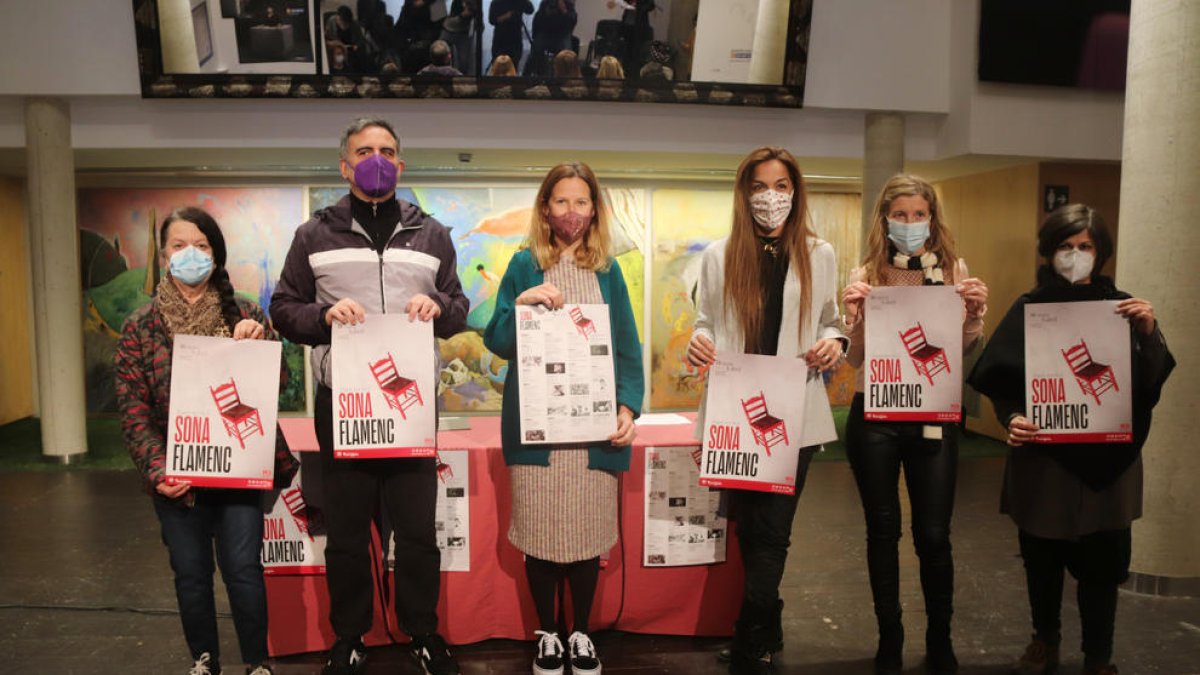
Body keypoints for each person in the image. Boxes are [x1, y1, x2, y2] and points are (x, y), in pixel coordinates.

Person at [270, 117, 469, 675]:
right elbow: (283, 307)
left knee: (418, 533)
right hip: (344, 406)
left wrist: (439, 310)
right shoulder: (313, 235)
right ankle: (350, 635)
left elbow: (458, 307)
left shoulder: (432, 234)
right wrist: (322, 314)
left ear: (400, 164)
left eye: (386, 151)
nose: (375, 159)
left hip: (410, 409)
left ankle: (422, 632)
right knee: (348, 536)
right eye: (364, 151)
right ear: (344, 165)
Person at [968, 205, 1174, 675]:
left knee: (1103, 568)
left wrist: (1148, 333)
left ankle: (1099, 657)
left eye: (1085, 247)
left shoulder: (1123, 309)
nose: (1075, 255)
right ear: (1048, 252)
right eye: (1065, 246)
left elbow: (1149, 384)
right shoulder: (1029, 308)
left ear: (1100, 253)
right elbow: (999, 381)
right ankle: (1044, 640)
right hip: (1045, 462)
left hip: (1109, 462)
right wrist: (1013, 417)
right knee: (1041, 561)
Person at [114, 206, 298, 675]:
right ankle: (204, 659)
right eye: (179, 245)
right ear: (163, 254)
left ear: (215, 255)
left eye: (201, 245)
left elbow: (278, 385)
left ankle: (256, 662)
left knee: (243, 571)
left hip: (238, 470)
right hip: (177, 475)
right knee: (192, 575)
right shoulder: (140, 326)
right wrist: (159, 471)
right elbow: (133, 408)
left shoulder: (248, 313)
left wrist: (260, 343)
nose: (190, 254)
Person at [686, 147, 846, 675]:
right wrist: (700, 341)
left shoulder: (819, 253)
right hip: (736, 408)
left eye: (781, 186)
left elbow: (830, 319)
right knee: (748, 528)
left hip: (793, 407)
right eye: (759, 186)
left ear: (796, 192)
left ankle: (748, 636)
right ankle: (768, 624)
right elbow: (706, 320)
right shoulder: (719, 254)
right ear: (744, 192)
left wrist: (834, 343)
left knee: (774, 528)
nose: (770, 197)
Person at [483, 161, 644, 675]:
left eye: (580, 202)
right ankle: (548, 633)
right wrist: (520, 303)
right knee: (540, 535)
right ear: (545, 208)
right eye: (560, 202)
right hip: (538, 429)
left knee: (585, 537)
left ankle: (580, 633)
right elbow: (498, 340)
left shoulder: (609, 270)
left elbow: (627, 348)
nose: (570, 212)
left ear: (594, 208)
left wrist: (627, 407)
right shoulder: (523, 264)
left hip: (592, 429)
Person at [839, 174, 989, 675]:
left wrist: (973, 316)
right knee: (882, 530)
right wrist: (853, 320)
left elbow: (962, 348)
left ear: (932, 218)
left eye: (918, 214)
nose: (909, 223)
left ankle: (940, 638)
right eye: (899, 215)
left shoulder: (953, 269)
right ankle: (890, 636)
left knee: (933, 533)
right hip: (875, 413)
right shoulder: (866, 272)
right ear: (885, 219)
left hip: (932, 414)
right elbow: (856, 360)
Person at [525, 0, 577, 76]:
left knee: (566, 54)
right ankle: (528, 75)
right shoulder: (546, 3)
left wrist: (564, 10)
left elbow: (572, 21)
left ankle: (566, 76)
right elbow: (538, 18)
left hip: (561, 35)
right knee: (535, 49)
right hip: (546, 33)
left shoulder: (567, 4)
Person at [438, 0, 481, 75]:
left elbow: (477, 16)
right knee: (440, 54)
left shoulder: (476, 3)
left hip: (462, 32)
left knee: (464, 62)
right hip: (449, 29)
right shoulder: (457, 2)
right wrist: (462, 15)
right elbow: (453, 17)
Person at [489, 0, 534, 66]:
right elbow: (492, 20)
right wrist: (506, 16)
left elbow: (530, 10)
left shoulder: (519, 2)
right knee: (497, 65)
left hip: (515, 40)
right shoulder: (496, 2)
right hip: (500, 40)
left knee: (514, 66)